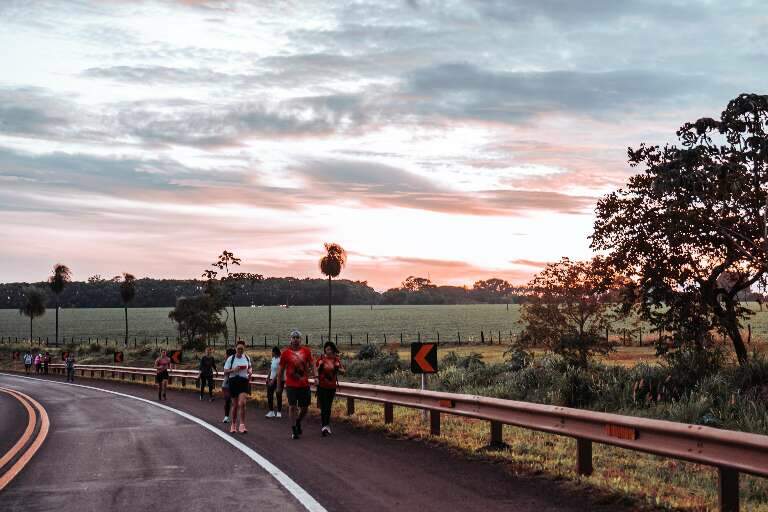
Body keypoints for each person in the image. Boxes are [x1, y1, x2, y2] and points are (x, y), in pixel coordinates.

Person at [277, 330, 316, 440]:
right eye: (293, 337)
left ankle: (298, 421)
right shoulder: (285, 353)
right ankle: (294, 428)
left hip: (304, 384)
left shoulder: (306, 351)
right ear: (290, 339)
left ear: (300, 339)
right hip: (291, 385)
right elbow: (280, 371)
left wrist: (315, 376)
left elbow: (312, 364)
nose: (295, 339)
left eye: (297, 337)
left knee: (305, 408)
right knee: (292, 406)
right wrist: (279, 386)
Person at [316, 341, 345, 436]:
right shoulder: (321, 359)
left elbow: (343, 371)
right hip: (321, 386)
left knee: (328, 407)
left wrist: (338, 369)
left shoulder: (336, 360)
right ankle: (324, 426)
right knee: (324, 406)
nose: (328, 351)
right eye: (326, 349)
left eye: (330, 349)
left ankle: (326, 425)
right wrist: (319, 367)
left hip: (331, 387)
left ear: (333, 350)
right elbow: (315, 370)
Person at [223, 340, 252, 434]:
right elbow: (225, 371)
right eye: (239, 348)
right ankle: (233, 424)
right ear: (236, 348)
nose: (240, 350)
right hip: (233, 381)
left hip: (243, 381)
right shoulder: (230, 359)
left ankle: (242, 425)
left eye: (242, 349)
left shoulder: (247, 358)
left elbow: (250, 367)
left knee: (242, 403)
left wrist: (250, 371)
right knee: (235, 405)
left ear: (244, 349)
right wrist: (233, 369)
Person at [265, 346, 283, 418]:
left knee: (278, 394)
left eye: (272, 351)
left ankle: (279, 412)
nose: (271, 353)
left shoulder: (280, 360)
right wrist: (268, 377)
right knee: (269, 394)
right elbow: (271, 369)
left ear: (275, 352)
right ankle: (271, 411)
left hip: (279, 380)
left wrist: (273, 380)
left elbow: (279, 371)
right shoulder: (273, 359)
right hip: (271, 379)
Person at [221, 347, 236, 423]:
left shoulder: (236, 361)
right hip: (227, 383)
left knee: (232, 401)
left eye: (226, 354)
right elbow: (225, 372)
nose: (225, 356)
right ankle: (226, 416)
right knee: (227, 400)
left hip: (235, 383)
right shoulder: (227, 362)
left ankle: (231, 417)